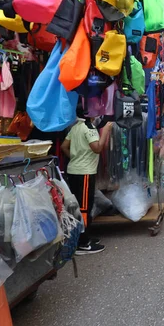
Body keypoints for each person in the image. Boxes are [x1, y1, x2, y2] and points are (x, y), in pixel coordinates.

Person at [61, 105, 113, 255]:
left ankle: (83, 238)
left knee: (78, 206)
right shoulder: (89, 128)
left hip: (74, 170)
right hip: (84, 173)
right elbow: (97, 148)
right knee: (84, 208)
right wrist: (106, 131)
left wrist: (75, 158)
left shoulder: (76, 127)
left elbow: (65, 146)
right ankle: (83, 244)